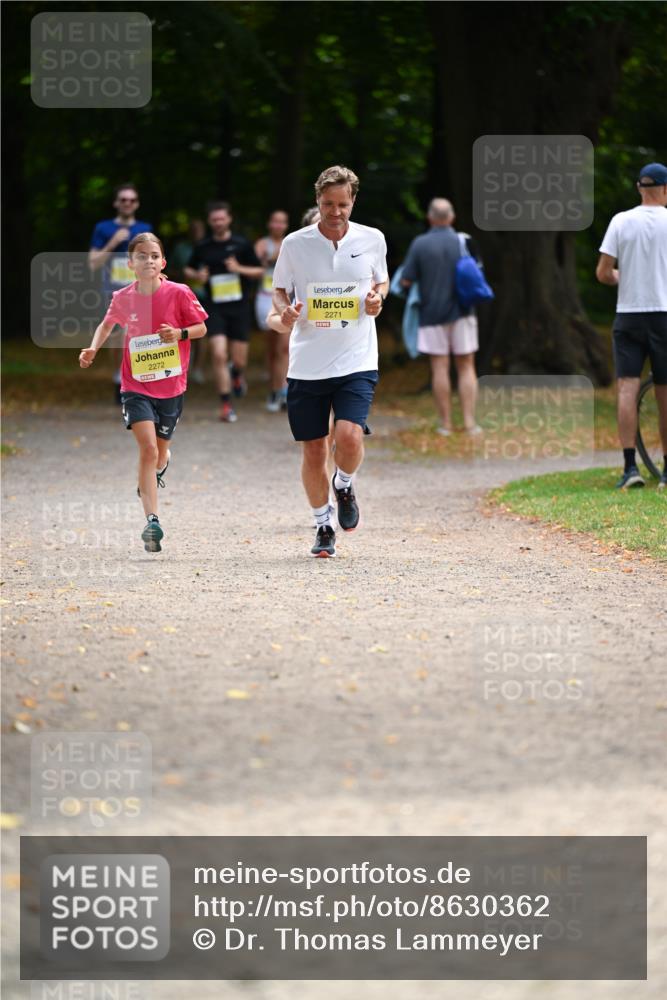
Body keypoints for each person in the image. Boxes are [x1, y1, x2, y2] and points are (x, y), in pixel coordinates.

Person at [272, 165, 389, 558]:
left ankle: (344, 483)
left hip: (357, 357)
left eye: (342, 204)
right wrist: (285, 311)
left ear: (353, 201)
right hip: (308, 362)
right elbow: (279, 290)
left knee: (350, 436)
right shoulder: (295, 244)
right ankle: (323, 524)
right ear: (317, 201)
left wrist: (377, 298)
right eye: (327, 204)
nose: (335, 212)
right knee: (314, 450)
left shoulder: (372, 238)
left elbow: (381, 281)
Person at [79, 233, 208, 552]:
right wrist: (93, 348)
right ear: (130, 264)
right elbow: (107, 325)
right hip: (135, 385)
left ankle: (159, 468)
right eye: (141, 256)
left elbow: (202, 328)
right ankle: (152, 521)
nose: (148, 260)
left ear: (163, 262)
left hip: (171, 386)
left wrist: (178, 333)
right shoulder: (123, 297)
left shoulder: (179, 292)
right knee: (148, 449)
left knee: (160, 454)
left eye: (153, 255)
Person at [597, 162, 667, 490]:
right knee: (664, 392)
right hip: (664, 314)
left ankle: (630, 468)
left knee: (627, 388)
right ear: (665, 189)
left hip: (629, 314)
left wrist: (620, 277)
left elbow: (603, 272)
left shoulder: (620, 221)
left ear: (639, 188)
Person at [400, 198, 481, 437]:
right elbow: (477, 273)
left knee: (439, 367)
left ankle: (445, 424)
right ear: (452, 217)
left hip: (431, 314)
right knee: (466, 366)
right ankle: (470, 424)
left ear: (430, 218)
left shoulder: (420, 244)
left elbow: (406, 280)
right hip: (463, 312)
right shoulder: (465, 241)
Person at [185, 202, 263, 423]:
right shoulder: (203, 246)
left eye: (222, 218)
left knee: (239, 360)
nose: (218, 222)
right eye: (214, 219)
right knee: (219, 354)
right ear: (210, 221)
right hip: (214, 306)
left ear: (229, 219)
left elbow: (259, 271)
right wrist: (197, 275)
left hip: (239, 306)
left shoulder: (241, 244)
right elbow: (188, 269)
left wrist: (239, 269)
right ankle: (226, 405)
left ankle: (237, 374)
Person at [88, 183, 152, 398]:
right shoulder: (103, 228)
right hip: (112, 291)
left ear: (137, 204)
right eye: (123, 199)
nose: (127, 203)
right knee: (116, 340)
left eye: (132, 200)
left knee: (131, 335)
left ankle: (130, 379)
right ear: (116, 203)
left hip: (139, 290)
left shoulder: (145, 228)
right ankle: (118, 374)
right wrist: (113, 242)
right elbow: (93, 263)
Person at [255, 210, 290, 411]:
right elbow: (259, 264)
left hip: (285, 297)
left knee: (283, 348)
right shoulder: (262, 244)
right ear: (270, 224)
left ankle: (284, 391)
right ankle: (273, 388)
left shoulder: (291, 242)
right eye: (275, 221)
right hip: (265, 297)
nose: (278, 225)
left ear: (286, 225)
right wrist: (276, 255)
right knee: (271, 349)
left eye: (282, 222)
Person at [169, 219, 207, 383]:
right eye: (193, 229)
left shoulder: (209, 247)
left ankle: (198, 368)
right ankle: (181, 366)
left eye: (199, 229)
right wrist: (183, 274)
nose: (196, 232)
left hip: (204, 296)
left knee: (201, 333)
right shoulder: (180, 249)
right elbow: (169, 270)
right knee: (180, 331)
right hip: (181, 295)